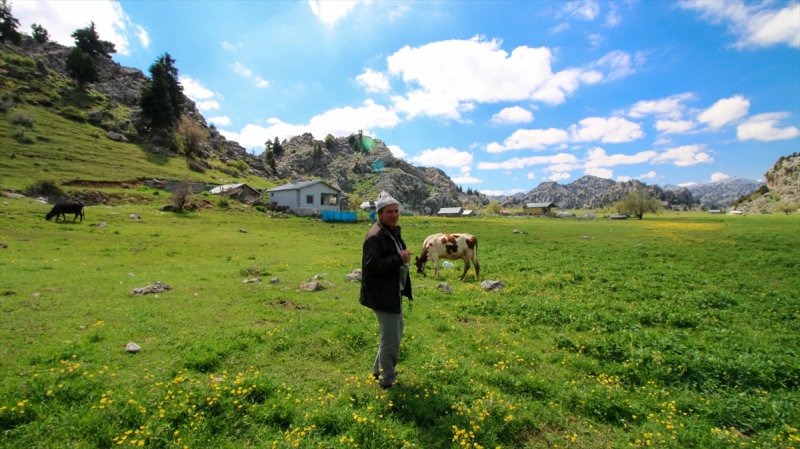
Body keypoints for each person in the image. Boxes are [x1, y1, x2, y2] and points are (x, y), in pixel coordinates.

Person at [360, 191, 413, 389]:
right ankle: (387, 380)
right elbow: (372, 267)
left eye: (396, 211)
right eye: (389, 211)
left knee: (394, 333)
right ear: (379, 214)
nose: (394, 215)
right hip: (383, 294)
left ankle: (378, 371)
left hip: (392, 291)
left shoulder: (390, 231)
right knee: (391, 339)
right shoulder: (375, 236)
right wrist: (399, 258)